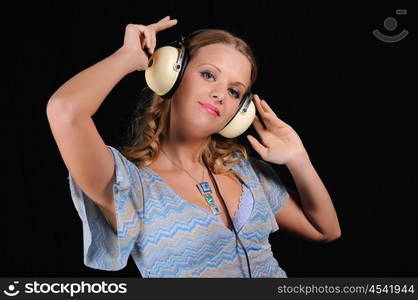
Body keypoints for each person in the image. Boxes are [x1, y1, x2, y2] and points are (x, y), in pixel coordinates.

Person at [46, 16, 341, 278]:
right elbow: (65, 110)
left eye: (234, 91)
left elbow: (325, 230)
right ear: (172, 75)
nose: (219, 95)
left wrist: (297, 158)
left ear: (240, 111)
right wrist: (127, 57)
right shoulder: (127, 186)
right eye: (208, 75)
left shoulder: (246, 171)